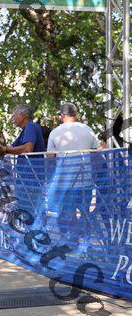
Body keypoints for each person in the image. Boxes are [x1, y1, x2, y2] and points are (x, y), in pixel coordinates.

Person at [46, 102, 103, 243]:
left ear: (62, 116)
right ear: (76, 115)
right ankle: (86, 242)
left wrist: (51, 180)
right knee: (85, 213)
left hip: (64, 182)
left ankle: (68, 241)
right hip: (85, 181)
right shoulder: (87, 130)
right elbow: (97, 154)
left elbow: (50, 159)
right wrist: (93, 175)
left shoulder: (55, 132)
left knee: (65, 213)